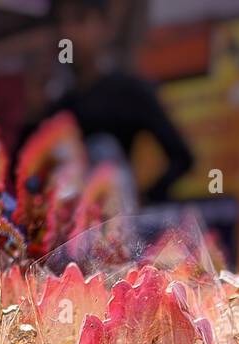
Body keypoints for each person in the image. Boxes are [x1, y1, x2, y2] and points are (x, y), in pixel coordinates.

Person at [42, 0, 194, 204]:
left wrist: (142, 199)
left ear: (104, 28)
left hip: (114, 222)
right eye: (60, 23)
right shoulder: (58, 107)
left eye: (80, 20)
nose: (67, 33)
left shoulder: (129, 92)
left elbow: (182, 158)